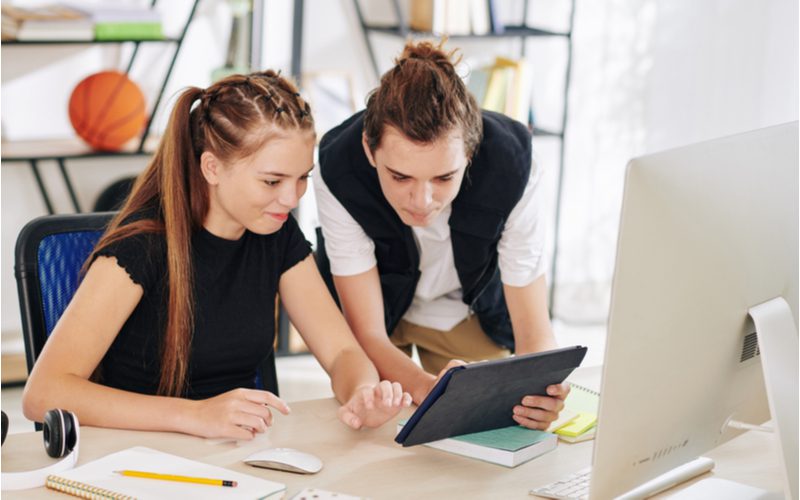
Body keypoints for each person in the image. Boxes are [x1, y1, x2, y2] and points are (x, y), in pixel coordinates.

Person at [22, 71, 412, 440]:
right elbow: (43, 394)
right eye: (272, 181)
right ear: (211, 167)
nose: (291, 198)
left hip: (233, 455)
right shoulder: (140, 247)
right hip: (136, 458)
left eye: (302, 178)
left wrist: (363, 392)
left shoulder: (275, 234)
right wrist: (194, 415)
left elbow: (342, 350)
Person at [315, 40, 569, 430]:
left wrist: (542, 391)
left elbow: (534, 333)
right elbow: (367, 333)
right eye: (400, 176)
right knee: (374, 429)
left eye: (444, 177)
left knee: (494, 422)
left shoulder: (515, 167)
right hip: (380, 312)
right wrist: (429, 388)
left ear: (470, 153)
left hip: (467, 310)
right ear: (370, 150)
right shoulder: (338, 167)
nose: (422, 200)